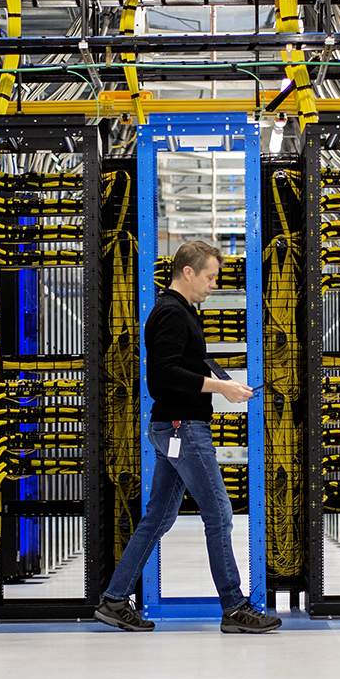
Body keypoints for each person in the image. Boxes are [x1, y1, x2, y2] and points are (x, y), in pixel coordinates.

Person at [94, 241, 282, 634]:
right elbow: (161, 376)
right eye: (211, 276)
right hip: (183, 427)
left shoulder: (180, 312)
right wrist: (218, 387)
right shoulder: (171, 314)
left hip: (176, 426)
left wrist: (225, 385)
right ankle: (235, 608)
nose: (214, 284)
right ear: (189, 272)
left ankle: (114, 599)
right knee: (219, 514)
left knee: (158, 517)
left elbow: (179, 367)